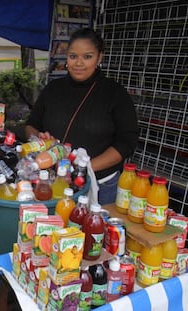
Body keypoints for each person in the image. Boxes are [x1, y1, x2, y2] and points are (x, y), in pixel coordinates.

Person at [25, 28, 138, 205]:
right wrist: (38, 139)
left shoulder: (115, 93)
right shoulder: (53, 89)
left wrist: (87, 167)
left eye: (87, 56)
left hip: (101, 185)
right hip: (54, 181)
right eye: (73, 56)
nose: (79, 63)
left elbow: (126, 142)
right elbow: (31, 124)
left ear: (99, 57)